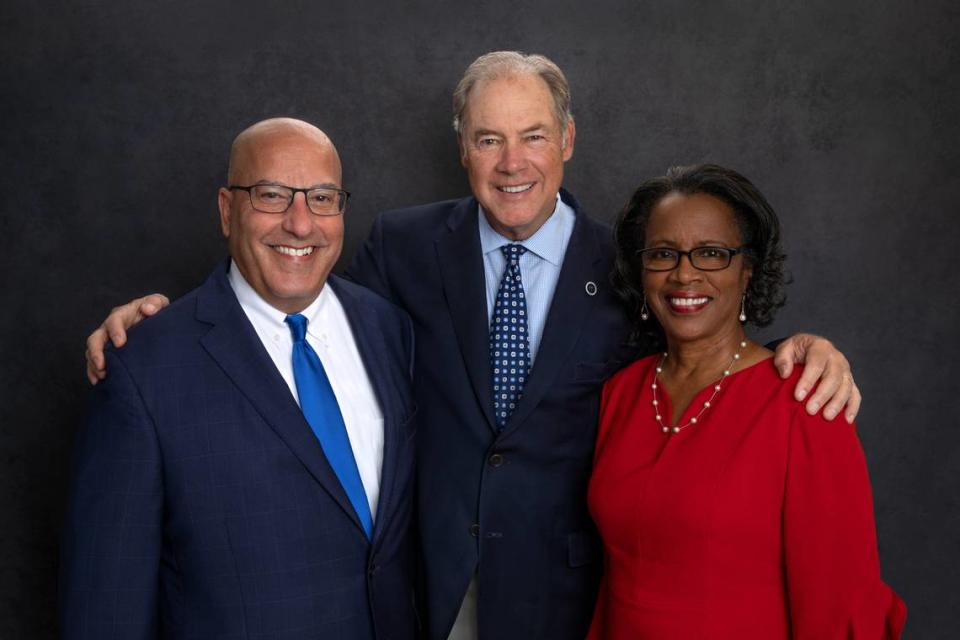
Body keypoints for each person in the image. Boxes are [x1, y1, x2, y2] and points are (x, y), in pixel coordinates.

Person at [82, 53, 861, 640]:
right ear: (462, 148)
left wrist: (798, 349)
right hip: (428, 594)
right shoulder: (403, 247)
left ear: (567, 141)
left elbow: (701, 334)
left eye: (531, 137)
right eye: (489, 138)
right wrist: (165, 322)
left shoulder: (627, 265)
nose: (511, 162)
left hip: (572, 601)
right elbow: (295, 301)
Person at [60, 118, 419, 639]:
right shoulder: (146, 368)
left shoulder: (390, 329)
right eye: (272, 195)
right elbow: (106, 609)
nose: (300, 224)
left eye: (322, 197)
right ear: (228, 210)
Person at [587, 164, 905, 638]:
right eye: (663, 254)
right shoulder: (622, 392)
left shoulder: (805, 403)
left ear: (748, 272)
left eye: (712, 254)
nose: (684, 274)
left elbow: (840, 604)